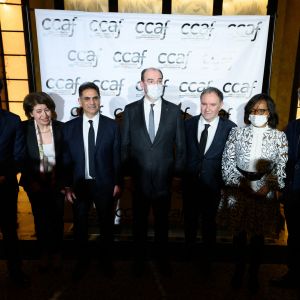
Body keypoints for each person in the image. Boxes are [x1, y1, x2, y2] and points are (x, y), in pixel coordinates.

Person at [121, 67, 186, 276]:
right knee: (138, 224)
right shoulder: (130, 110)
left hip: (164, 180)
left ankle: (162, 260)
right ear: (141, 84)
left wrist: (177, 176)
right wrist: (127, 175)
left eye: (159, 80)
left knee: (162, 224)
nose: (155, 84)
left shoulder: (174, 111)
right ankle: (138, 261)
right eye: (150, 80)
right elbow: (125, 146)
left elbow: (181, 147)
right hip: (138, 180)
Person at [221, 93, 288, 294]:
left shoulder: (279, 136)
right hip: (239, 189)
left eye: (262, 110)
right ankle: (238, 271)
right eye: (253, 110)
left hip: (263, 190)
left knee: (258, 236)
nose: (257, 114)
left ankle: (253, 274)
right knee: (239, 234)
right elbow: (227, 161)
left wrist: (267, 187)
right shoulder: (236, 133)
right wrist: (240, 184)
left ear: (269, 113)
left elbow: (281, 166)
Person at [63, 82, 121, 280]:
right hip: (79, 185)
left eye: (95, 98)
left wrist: (117, 182)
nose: (91, 102)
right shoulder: (69, 128)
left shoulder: (112, 126)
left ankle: (106, 261)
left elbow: (117, 157)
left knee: (106, 225)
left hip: (104, 184)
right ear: (79, 101)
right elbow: (65, 159)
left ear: (99, 100)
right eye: (87, 98)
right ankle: (82, 261)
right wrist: (67, 186)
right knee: (80, 225)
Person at [183, 87, 236, 268]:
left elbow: (231, 160)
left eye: (212, 104)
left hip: (214, 187)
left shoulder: (231, 128)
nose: (207, 108)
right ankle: (188, 257)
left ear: (220, 105)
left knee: (209, 225)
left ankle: (208, 261)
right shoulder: (187, 125)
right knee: (189, 223)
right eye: (204, 104)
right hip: (190, 185)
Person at [20, 92, 64, 272]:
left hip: (57, 183)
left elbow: (68, 158)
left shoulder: (62, 128)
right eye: (39, 111)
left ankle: (57, 254)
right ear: (31, 113)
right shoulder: (23, 129)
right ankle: (44, 254)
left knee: (57, 219)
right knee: (41, 219)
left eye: (47, 110)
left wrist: (64, 183)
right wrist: (31, 181)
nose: (44, 115)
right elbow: (20, 157)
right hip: (34, 184)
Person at [0, 79, 28, 286]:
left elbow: (19, 155)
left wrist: (3, 175)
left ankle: (15, 272)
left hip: (4, 186)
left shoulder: (12, 120)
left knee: (10, 230)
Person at [270, 117, 300, 288]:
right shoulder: (293, 127)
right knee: (294, 237)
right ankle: (293, 274)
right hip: (293, 193)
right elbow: (281, 157)